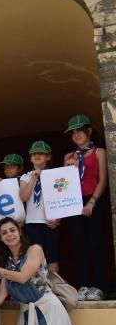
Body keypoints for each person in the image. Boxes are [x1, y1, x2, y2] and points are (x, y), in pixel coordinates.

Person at [63, 114, 109, 301]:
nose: (76, 136)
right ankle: (84, 284)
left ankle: (98, 286)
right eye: (72, 133)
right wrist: (67, 168)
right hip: (73, 201)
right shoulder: (69, 156)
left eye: (79, 131)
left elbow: (103, 180)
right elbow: (62, 184)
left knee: (95, 244)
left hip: (93, 200)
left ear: (88, 131)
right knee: (79, 245)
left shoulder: (99, 152)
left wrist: (92, 201)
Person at [19, 140, 60, 274]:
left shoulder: (55, 174)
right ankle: (40, 288)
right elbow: (23, 197)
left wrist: (59, 219)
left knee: (52, 256)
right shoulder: (25, 176)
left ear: (48, 157)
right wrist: (33, 179)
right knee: (35, 257)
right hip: (32, 222)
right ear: (30, 158)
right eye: (34, 154)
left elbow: (63, 198)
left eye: (41, 153)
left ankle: (56, 288)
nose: (37, 156)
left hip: (49, 222)